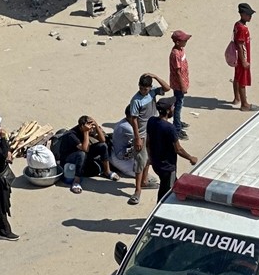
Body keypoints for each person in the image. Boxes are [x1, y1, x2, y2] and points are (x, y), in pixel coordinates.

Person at [126, 73, 170, 206]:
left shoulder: (152, 93)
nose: (143, 91)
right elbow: (134, 119)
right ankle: (137, 190)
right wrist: (137, 138)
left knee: (149, 158)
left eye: (146, 89)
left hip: (153, 131)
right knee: (140, 161)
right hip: (142, 134)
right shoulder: (136, 100)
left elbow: (167, 88)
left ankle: (144, 181)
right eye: (141, 88)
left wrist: (156, 76)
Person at [146, 99, 198, 201]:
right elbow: (178, 149)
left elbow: (147, 142)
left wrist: (150, 157)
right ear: (168, 111)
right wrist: (191, 158)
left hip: (156, 164)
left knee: (174, 183)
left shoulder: (151, 121)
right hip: (167, 167)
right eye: (173, 107)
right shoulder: (170, 128)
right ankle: (158, 212)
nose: (174, 109)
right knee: (165, 192)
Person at [55, 116, 118, 194]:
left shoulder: (88, 129)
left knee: (103, 146)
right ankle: (76, 181)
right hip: (68, 157)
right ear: (82, 126)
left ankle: (107, 171)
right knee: (81, 154)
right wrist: (86, 132)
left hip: (82, 152)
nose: (91, 129)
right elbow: (85, 149)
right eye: (89, 126)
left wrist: (96, 126)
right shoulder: (72, 134)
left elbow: (103, 140)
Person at [231, 3, 257, 111]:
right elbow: (241, 46)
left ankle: (237, 98)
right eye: (248, 14)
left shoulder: (237, 25)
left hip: (237, 57)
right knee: (242, 80)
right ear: (242, 14)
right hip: (242, 58)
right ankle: (244, 104)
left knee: (237, 77)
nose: (250, 17)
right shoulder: (242, 29)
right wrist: (244, 61)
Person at [169, 30, 191, 138]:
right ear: (177, 42)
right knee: (178, 105)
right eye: (184, 40)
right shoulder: (175, 54)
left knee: (179, 104)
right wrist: (182, 85)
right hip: (178, 85)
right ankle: (177, 128)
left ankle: (178, 122)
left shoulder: (181, 49)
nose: (186, 41)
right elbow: (177, 72)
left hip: (182, 81)